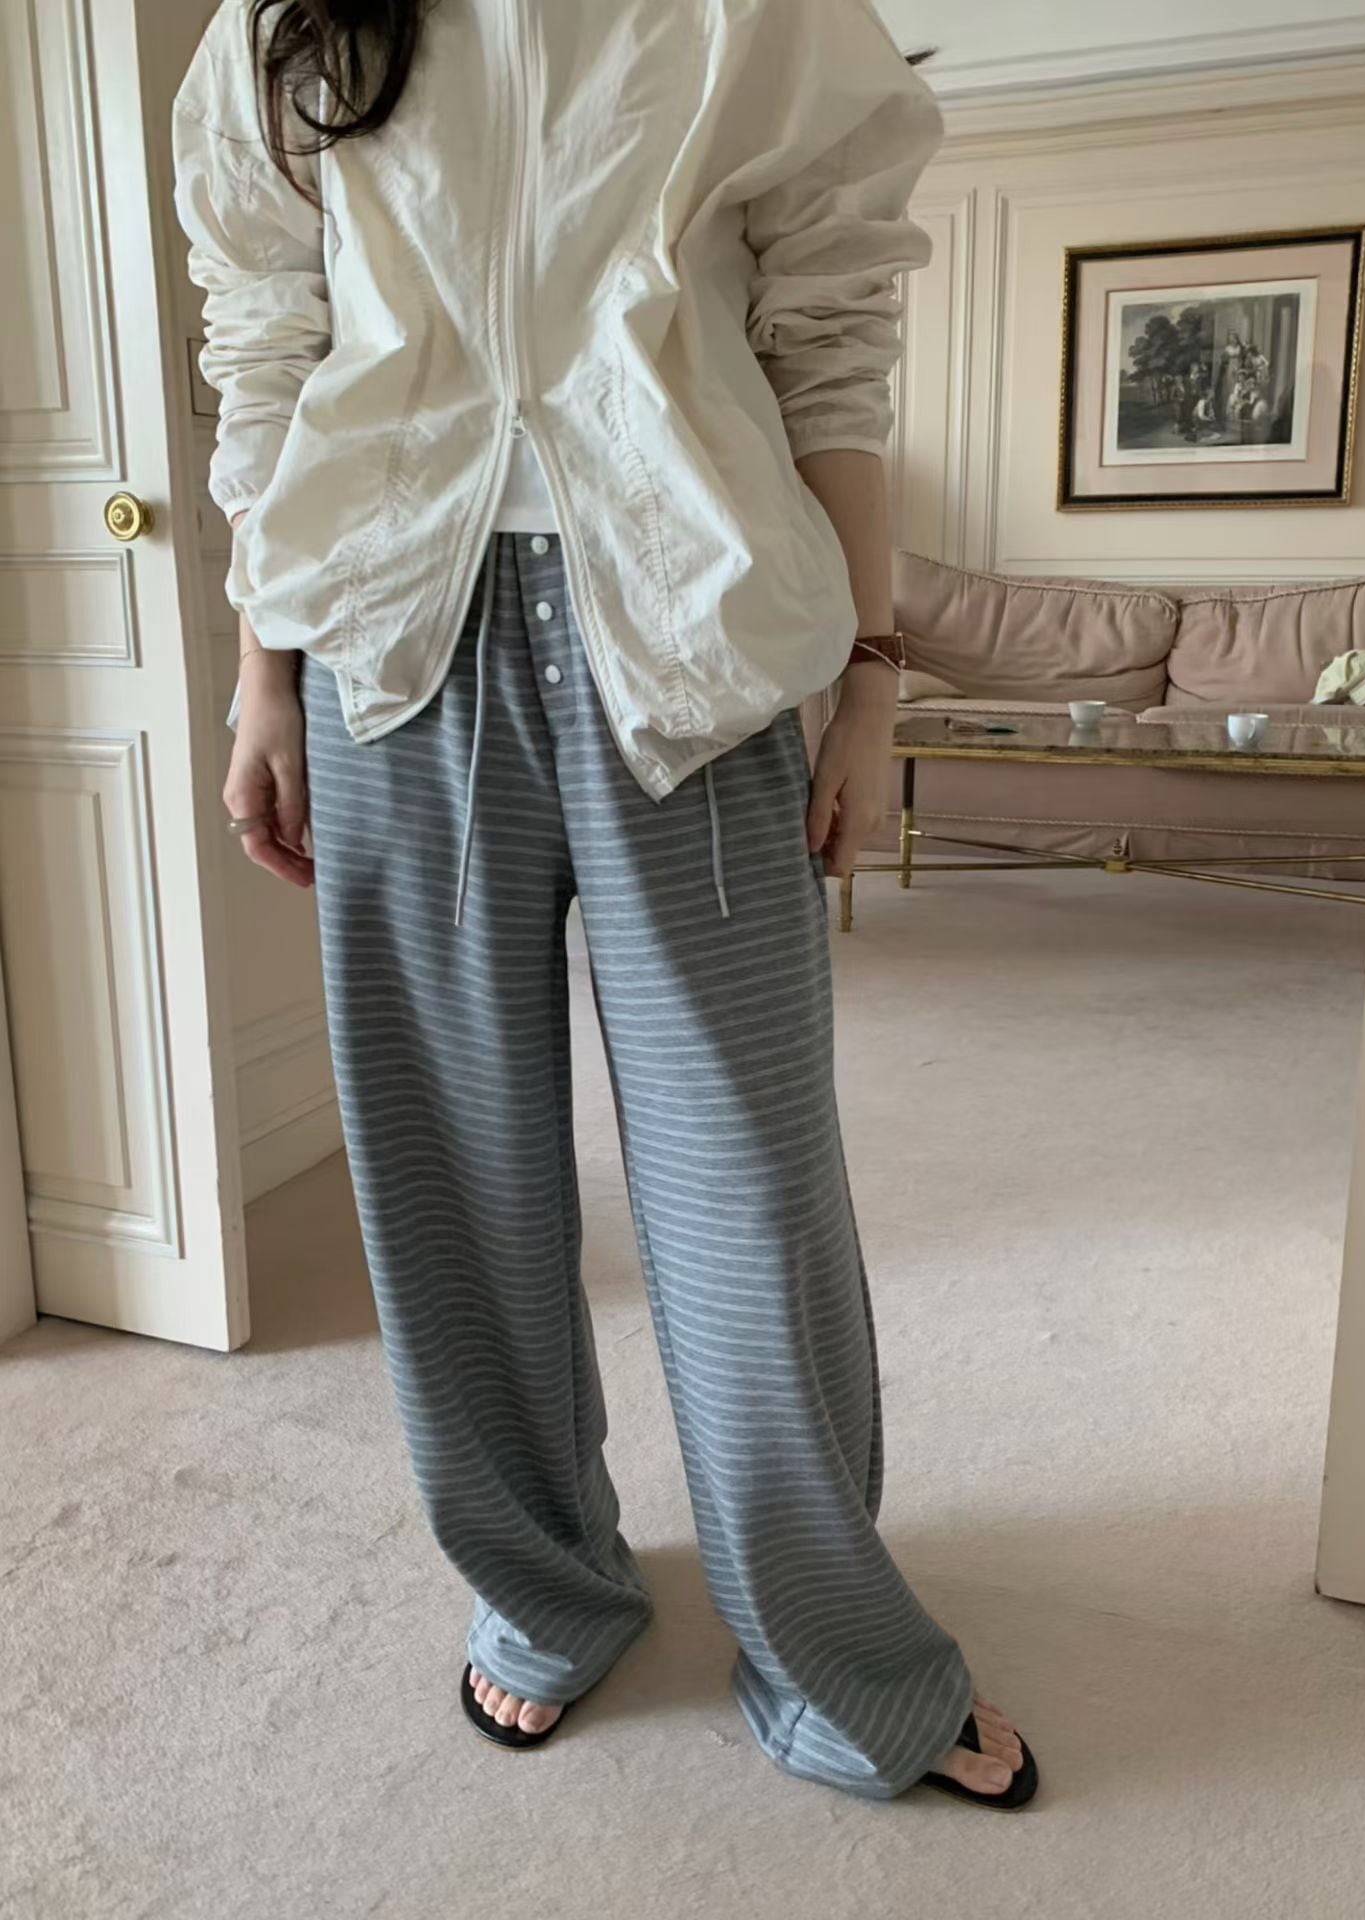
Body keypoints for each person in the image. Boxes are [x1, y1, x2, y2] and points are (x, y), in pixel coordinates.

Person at [173, 0, 1038, 1810]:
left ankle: (831, 1642)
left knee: (750, 1188)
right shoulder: (289, 27)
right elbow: (267, 348)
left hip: (695, 636)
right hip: (389, 651)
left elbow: (831, 340)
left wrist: (872, 685)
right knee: (448, 1175)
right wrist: (262, 677)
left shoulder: (758, 13)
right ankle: (543, 1586)